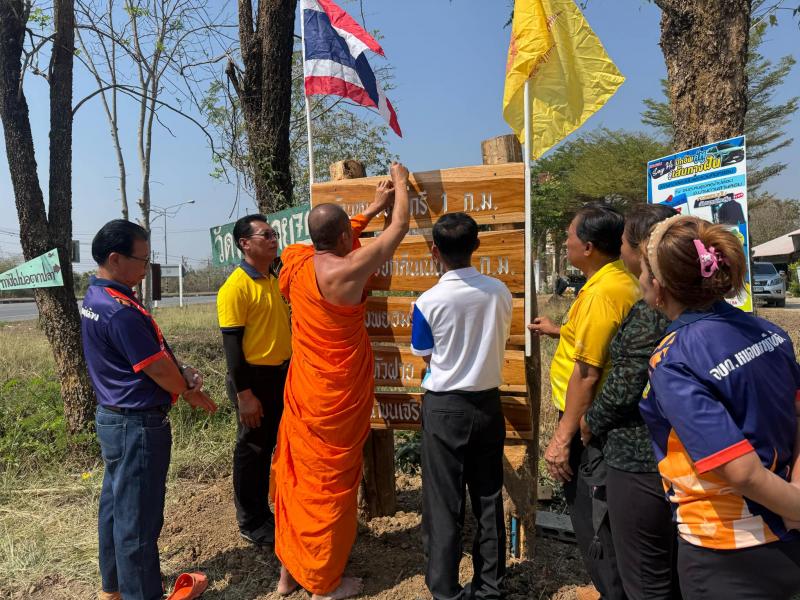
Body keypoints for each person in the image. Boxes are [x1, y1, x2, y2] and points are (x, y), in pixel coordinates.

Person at [638, 215, 800, 600]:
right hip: (790, 535)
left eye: (643, 272)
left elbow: (742, 472)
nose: (640, 280)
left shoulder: (674, 360)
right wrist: (795, 495)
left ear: (659, 286)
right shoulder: (768, 332)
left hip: (726, 550)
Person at [273, 163, 410, 600]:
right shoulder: (347, 270)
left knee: (297, 479)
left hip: (305, 390)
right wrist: (400, 184)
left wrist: (370, 208)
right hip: (337, 395)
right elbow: (400, 228)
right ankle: (324, 582)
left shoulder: (296, 260)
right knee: (328, 486)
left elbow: (333, 236)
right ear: (347, 239)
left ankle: (288, 574)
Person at [81, 220, 217, 600]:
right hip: (136, 425)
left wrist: (181, 370)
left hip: (114, 418)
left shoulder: (98, 296)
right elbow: (156, 368)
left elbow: (148, 354)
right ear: (115, 258)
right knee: (138, 521)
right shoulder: (119, 309)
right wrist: (187, 389)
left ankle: (114, 589)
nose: (146, 268)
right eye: (142, 260)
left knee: (115, 508)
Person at [529, 203, 639, 600]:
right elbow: (600, 340)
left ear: (589, 247)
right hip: (601, 418)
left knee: (594, 519)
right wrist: (560, 330)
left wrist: (562, 438)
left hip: (587, 423)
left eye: (569, 237)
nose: (565, 243)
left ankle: (613, 590)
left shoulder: (602, 295)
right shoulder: (617, 280)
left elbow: (588, 374)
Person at [579, 204, 680, 600]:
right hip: (673, 455)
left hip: (637, 458)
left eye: (624, 241)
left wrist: (588, 422)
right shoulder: (684, 304)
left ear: (643, 248)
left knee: (644, 576)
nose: (620, 249)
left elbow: (621, 383)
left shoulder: (650, 311)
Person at [411, 212, 512, 600]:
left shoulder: (428, 302)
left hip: (445, 407)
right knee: (488, 497)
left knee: (443, 502)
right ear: (477, 246)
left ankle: (445, 589)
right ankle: (490, 587)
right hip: (487, 404)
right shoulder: (499, 291)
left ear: (434, 252)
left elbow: (425, 354)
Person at [217, 215, 291, 546]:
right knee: (252, 449)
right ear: (245, 244)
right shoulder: (236, 287)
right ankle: (251, 521)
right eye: (266, 235)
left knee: (269, 448)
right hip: (252, 380)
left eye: (274, 234)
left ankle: (265, 512)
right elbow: (232, 348)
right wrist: (245, 395)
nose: (274, 239)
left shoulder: (273, 278)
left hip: (279, 376)